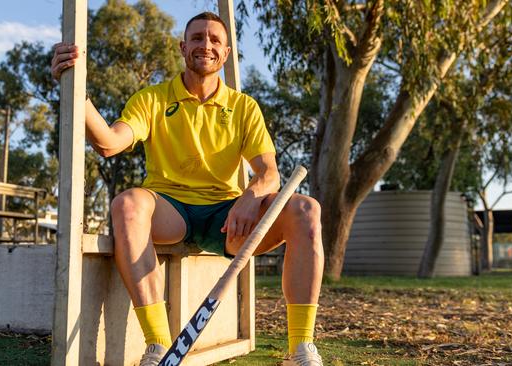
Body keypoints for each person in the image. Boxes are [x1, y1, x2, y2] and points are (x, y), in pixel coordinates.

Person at [51, 11, 324, 366]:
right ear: (183, 47)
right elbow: (108, 143)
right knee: (127, 204)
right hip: (170, 210)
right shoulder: (152, 99)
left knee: (306, 210)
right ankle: (159, 346)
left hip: (227, 219)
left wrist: (249, 197)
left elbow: (269, 173)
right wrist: (76, 89)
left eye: (214, 40)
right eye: (197, 38)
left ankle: (300, 349)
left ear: (225, 53)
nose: (205, 45)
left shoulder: (243, 107)